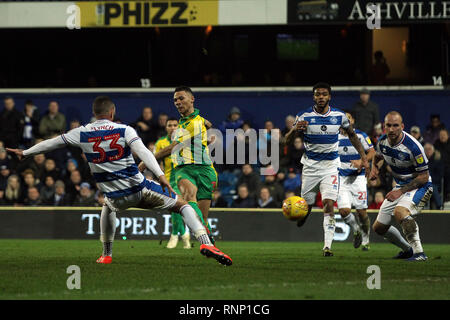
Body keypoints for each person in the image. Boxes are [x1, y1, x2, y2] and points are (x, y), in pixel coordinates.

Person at [7, 95, 232, 266]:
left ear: (94, 113)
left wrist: (26, 152)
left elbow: (52, 142)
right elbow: (143, 152)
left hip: (116, 197)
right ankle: (206, 242)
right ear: (112, 112)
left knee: (107, 206)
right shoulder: (124, 129)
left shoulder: (81, 133)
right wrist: (161, 176)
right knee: (182, 205)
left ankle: (106, 255)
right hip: (141, 189)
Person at [285, 82, 370, 257]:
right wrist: (294, 130)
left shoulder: (339, 115)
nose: (321, 97)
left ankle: (327, 246)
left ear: (329, 96)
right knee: (306, 205)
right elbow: (286, 141)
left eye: (324, 94)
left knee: (328, 204)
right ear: (313, 97)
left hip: (331, 167)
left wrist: (363, 158)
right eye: (317, 94)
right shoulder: (303, 115)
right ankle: (305, 213)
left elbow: (353, 136)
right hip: (310, 167)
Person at [139, 86, 218, 245]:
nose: (178, 102)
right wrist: (202, 138)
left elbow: (171, 148)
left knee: (202, 219)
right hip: (184, 170)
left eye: (181, 98)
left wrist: (145, 162)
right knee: (188, 197)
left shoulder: (191, 123)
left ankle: (206, 238)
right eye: (175, 100)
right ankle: (194, 239)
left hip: (206, 170)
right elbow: (208, 124)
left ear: (192, 99)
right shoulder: (193, 121)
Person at [369, 111, 432, 261]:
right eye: (388, 125)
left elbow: (423, 176)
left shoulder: (413, 147)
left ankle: (419, 253)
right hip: (401, 186)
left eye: (395, 125)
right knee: (379, 228)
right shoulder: (382, 142)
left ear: (402, 126)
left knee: (400, 212)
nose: (391, 129)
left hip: (420, 186)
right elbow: (377, 156)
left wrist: (400, 192)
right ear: (384, 126)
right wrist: (374, 169)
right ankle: (407, 250)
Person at [337, 111, 375, 251]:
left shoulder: (361, 135)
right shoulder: (334, 137)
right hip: (341, 178)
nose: (346, 121)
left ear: (352, 121)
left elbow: (372, 152)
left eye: (348, 118)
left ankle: (366, 239)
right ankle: (356, 230)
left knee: (361, 212)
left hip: (358, 178)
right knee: (344, 211)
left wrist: (361, 161)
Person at [154, 117, 191, 249]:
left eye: (175, 125)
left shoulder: (184, 141)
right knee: (174, 209)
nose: (173, 127)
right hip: (168, 179)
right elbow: (155, 162)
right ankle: (184, 234)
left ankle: (175, 235)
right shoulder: (161, 143)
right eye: (170, 125)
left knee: (175, 206)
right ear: (166, 127)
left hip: (182, 178)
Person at [424, 143, 443, 209]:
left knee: (432, 187)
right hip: (422, 182)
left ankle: (439, 206)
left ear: (433, 150)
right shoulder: (422, 161)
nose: (427, 151)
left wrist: (429, 179)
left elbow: (440, 175)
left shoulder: (437, 160)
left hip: (435, 182)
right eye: (426, 149)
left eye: (429, 149)